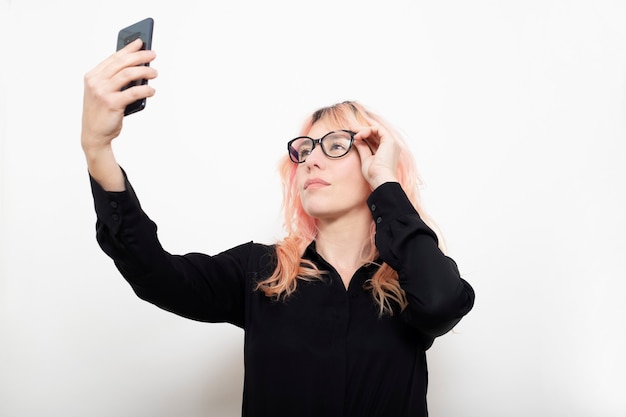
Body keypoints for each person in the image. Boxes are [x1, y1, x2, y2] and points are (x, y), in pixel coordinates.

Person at [81, 38, 475, 417]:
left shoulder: (412, 280)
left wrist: (386, 182)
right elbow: (155, 274)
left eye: (336, 145)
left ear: (374, 162)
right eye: (304, 150)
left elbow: (442, 302)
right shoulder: (260, 272)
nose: (311, 161)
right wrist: (97, 150)